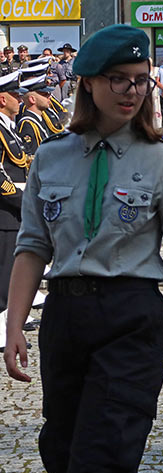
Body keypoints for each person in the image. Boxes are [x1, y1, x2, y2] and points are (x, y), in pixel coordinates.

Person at [2, 24, 163, 473]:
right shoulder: (51, 156)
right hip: (66, 318)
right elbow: (31, 246)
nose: (131, 91)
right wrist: (13, 325)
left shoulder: (162, 160)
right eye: (117, 80)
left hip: (132, 319)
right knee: (64, 457)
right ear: (88, 85)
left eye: (141, 81)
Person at [0, 71, 27, 352]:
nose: (19, 99)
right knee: (3, 271)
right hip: (5, 210)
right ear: (2, 98)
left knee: (10, 271)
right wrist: (21, 199)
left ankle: (8, 325)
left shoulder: (9, 126)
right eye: (15, 95)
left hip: (14, 209)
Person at [17, 75, 52, 155]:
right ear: (32, 99)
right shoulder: (27, 124)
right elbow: (32, 156)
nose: (49, 97)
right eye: (44, 94)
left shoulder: (39, 119)